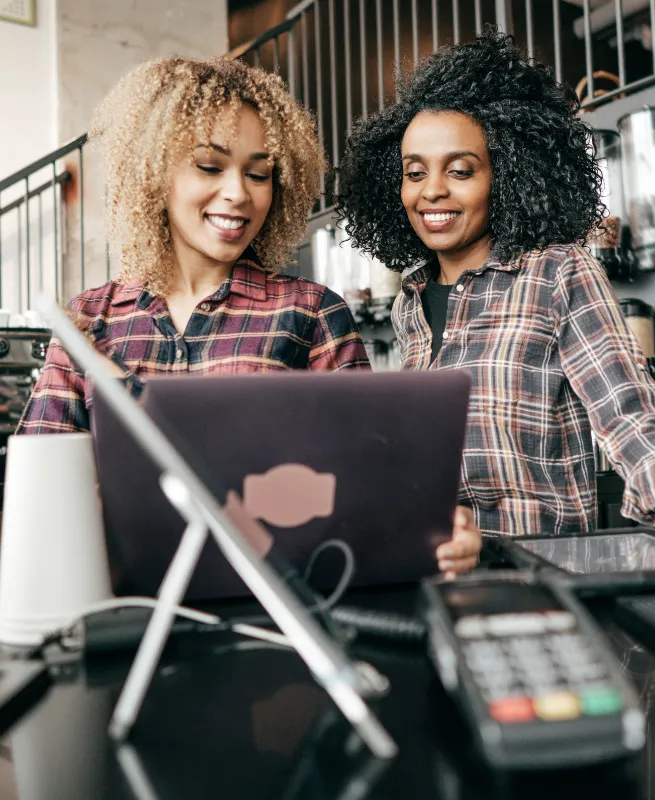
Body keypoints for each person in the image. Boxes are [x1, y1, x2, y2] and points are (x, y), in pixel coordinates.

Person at [17, 56, 481, 574]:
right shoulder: (89, 322)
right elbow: (38, 500)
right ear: (154, 171)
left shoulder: (310, 312)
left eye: (259, 173)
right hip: (120, 616)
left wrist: (435, 530)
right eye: (210, 166)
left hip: (279, 610)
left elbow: (373, 485)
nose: (239, 193)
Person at [335, 30, 655, 555]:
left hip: (540, 581)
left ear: (506, 175)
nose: (431, 190)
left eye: (461, 171)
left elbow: (632, 419)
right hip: (435, 577)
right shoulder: (410, 303)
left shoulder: (557, 273)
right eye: (414, 173)